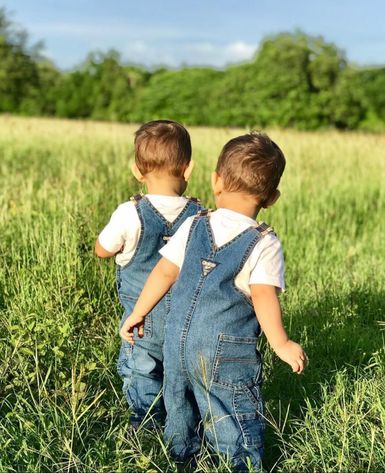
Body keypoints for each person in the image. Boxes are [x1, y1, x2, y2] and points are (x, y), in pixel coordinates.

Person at [120, 132, 307, 470]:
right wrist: (281, 343)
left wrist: (138, 312)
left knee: (179, 403)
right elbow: (264, 295)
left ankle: (182, 457)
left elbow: (163, 273)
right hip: (225, 352)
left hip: (176, 344)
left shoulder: (193, 224)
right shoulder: (263, 243)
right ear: (272, 198)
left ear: (216, 181)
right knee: (231, 410)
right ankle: (238, 462)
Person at [96, 119, 202, 428]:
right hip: (187, 323)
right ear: (188, 168)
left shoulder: (130, 213)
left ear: (137, 171)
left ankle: (145, 425)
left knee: (141, 370)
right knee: (182, 373)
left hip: (140, 323)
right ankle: (183, 422)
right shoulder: (200, 216)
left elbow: (103, 249)